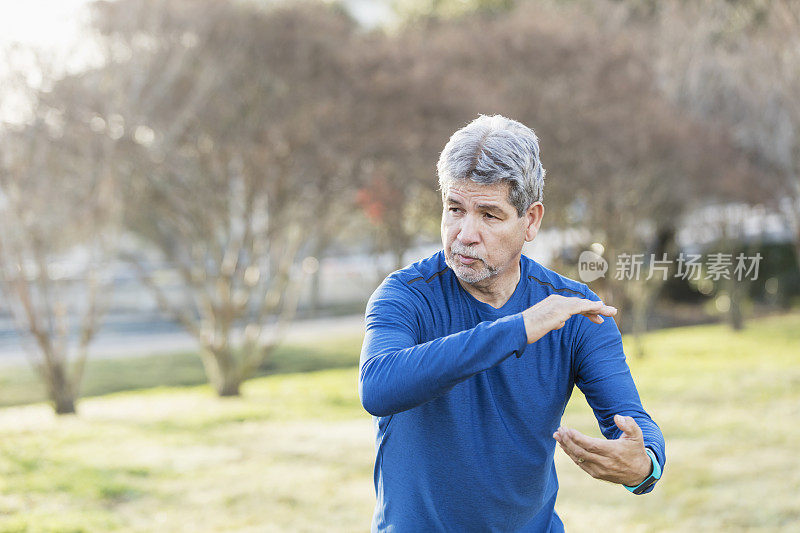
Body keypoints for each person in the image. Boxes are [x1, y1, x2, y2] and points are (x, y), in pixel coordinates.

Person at [359, 114, 665, 532]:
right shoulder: (405, 296)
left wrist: (645, 465)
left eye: (489, 215)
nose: (465, 233)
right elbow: (378, 386)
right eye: (455, 209)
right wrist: (519, 328)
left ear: (531, 221)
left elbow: (630, 418)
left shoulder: (572, 311)